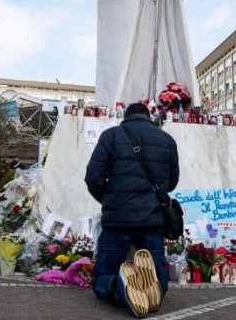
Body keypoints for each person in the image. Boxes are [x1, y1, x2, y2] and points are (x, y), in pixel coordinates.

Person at [84, 103, 180, 318]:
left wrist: (110, 199)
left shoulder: (111, 136)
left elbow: (93, 177)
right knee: (156, 279)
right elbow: (172, 182)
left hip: (117, 221)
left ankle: (120, 286)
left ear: (125, 117)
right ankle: (150, 289)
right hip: (153, 221)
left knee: (103, 276)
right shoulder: (166, 140)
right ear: (149, 117)